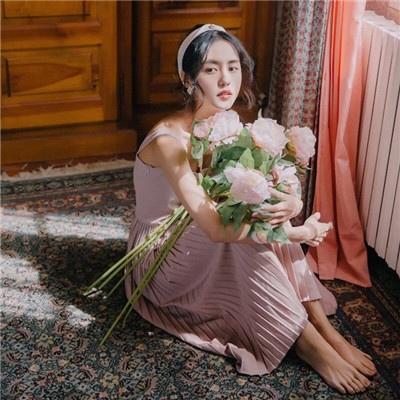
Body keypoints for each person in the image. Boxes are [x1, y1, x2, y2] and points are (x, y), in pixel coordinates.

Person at [125, 23, 376, 394]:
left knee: (265, 209)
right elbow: (214, 227)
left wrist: (292, 203)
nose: (226, 79)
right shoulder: (168, 141)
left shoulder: (226, 125)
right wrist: (297, 232)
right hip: (161, 254)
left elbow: (272, 183)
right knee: (244, 237)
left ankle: (326, 331)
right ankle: (308, 343)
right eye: (211, 69)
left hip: (196, 231)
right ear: (188, 78)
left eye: (232, 67)